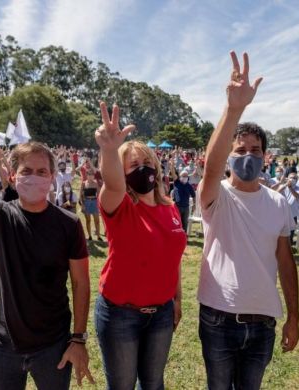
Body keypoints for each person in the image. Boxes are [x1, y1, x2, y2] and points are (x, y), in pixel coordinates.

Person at [0, 90, 93, 389]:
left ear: (52, 177)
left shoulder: (69, 223)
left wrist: (78, 338)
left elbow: (80, 283)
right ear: (12, 177)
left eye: (41, 171)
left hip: (53, 346)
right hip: (2, 347)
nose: (34, 177)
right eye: (26, 171)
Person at [197, 51, 299, 390]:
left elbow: (286, 261)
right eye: (240, 150)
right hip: (218, 317)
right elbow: (211, 167)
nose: (248, 156)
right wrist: (234, 109)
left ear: (266, 157)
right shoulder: (217, 195)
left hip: (263, 322)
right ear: (229, 155)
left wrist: (294, 315)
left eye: (255, 150)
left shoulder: (278, 201)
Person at [94, 101, 187, 389]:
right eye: (134, 165)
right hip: (120, 314)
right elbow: (112, 183)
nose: (143, 169)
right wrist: (109, 150)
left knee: (154, 383)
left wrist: (177, 298)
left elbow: (173, 258)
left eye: (147, 163)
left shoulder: (169, 206)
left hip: (160, 314)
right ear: (122, 172)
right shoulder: (119, 204)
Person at [170, 165, 196, 232]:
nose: (185, 177)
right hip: (177, 206)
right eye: (183, 176)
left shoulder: (189, 186)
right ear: (180, 176)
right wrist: (172, 164)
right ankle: (177, 236)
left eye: (186, 176)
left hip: (186, 207)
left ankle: (184, 237)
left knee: (185, 223)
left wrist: (194, 204)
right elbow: (173, 173)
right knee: (177, 222)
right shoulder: (177, 182)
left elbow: (193, 195)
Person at [79, 172, 102, 241]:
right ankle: (89, 236)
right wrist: (82, 204)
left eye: (92, 175)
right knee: (88, 220)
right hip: (86, 202)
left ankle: (98, 236)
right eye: (89, 175)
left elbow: (99, 194)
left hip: (94, 202)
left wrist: (98, 204)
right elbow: (80, 195)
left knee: (97, 220)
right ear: (87, 175)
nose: (91, 176)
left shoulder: (95, 184)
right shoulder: (83, 183)